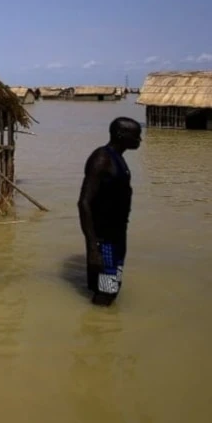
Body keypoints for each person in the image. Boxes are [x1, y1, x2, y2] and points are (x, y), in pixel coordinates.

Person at [78, 117, 142, 306]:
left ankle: (99, 321)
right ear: (120, 135)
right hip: (103, 239)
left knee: (112, 285)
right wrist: (93, 247)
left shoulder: (118, 159)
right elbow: (84, 203)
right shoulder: (102, 159)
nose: (139, 140)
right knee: (105, 291)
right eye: (136, 135)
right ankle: (98, 322)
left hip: (116, 236)